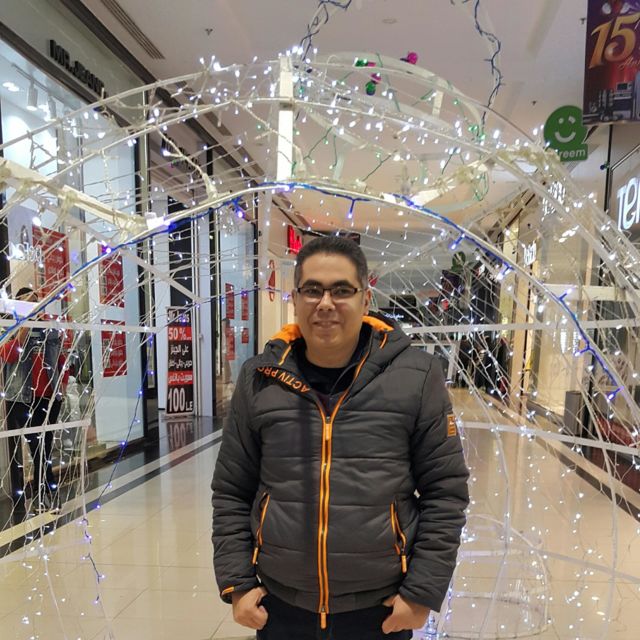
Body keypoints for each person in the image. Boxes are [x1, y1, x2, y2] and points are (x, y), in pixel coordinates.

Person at [212, 236, 469, 639]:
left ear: (366, 299)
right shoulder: (259, 378)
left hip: (379, 611)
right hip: (281, 606)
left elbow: (445, 492)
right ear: (295, 299)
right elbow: (232, 490)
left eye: (342, 290)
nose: (326, 303)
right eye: (313, 289)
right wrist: (238, 583)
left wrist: (421, 593)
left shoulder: (416, 377)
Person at [1, 287, 64, 513]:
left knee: (44, 448)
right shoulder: (9, 327)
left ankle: (42, 495)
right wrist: (24, 327)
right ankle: (47, 493)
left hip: (49, 398)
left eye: (34, 302)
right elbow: (9, 355)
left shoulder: (49, 328)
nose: (32, 307)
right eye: (26, 303)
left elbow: (60, 359)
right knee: (37, 448)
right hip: (22, 400)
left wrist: (61, 386)